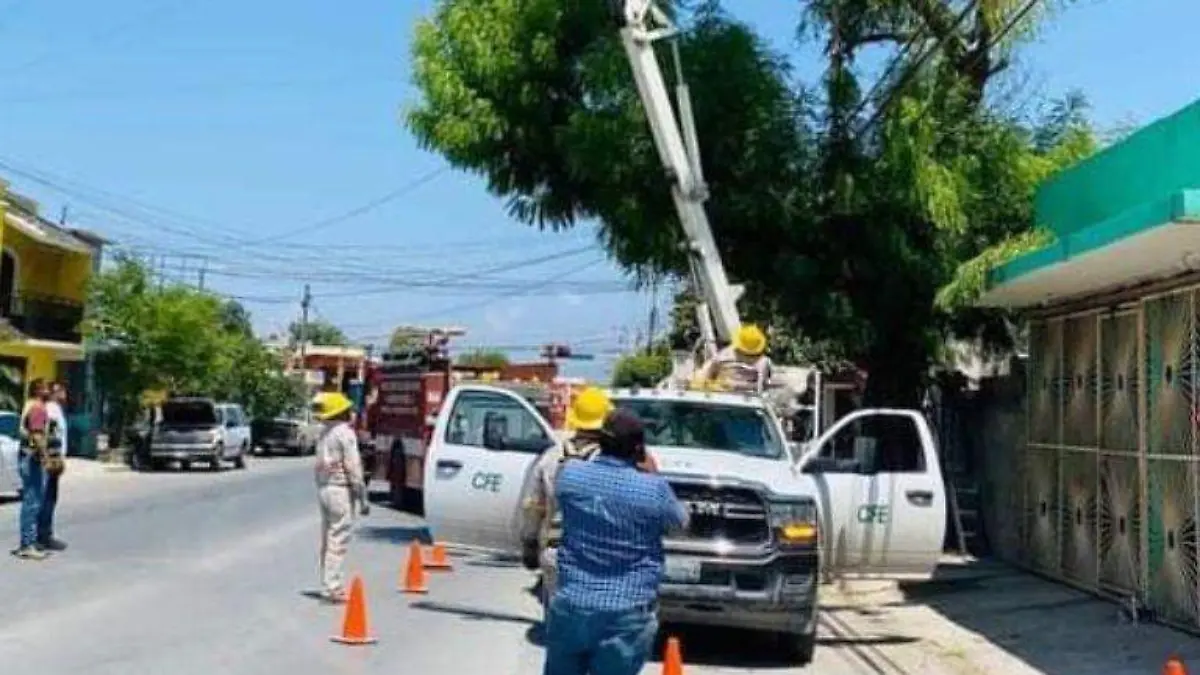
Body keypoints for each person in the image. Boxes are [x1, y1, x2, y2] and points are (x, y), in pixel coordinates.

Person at [542, 409, 688, 675]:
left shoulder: (571, 475)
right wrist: (653, 474)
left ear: (601, 441)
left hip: (573, 603)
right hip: (627, 612)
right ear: (638, 449)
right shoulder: (652, 489)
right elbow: (681, 523)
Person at [520, 386, 613, 606]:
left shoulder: (550, 457)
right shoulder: (613, 462)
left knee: (558, 619)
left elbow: (533, 507)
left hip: (555, 553)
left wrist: (529, 545)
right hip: (596, 557)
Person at [312, 391, 369, 604]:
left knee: (328, 538)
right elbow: (353, 466)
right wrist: (362, 496)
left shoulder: (323, 433)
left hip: (324, 487)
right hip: (340, 490)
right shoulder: (344, 433)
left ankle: (327, 581)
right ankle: (332, 586)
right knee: (338, 538)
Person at [12, 380, 54, 560]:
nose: (49, 392)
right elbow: (37, 435)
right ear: (39, 391)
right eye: (46, 389)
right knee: (33, 502)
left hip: (26, 456)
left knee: (32, 500)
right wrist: (46, 457)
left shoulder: (30, 405)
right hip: (33, 459)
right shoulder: (37, 408)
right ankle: (27, 544)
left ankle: (29, 541)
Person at [693, 323, 772, 393]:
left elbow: (710, 370)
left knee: (703, 372)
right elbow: (761, 386)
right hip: (747, 392)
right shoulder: (762, 361)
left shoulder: (726, 355)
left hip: (723, 389)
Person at [38, 381, 69, 552]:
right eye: (59, 391)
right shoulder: (51, 409)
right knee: (47, 498)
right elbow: (52, 434)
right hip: (50, 459)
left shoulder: (55, 408)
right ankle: (43, 535)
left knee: (50, 497)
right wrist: (53, 458)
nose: (63, 393)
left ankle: (44, 534)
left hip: (54, 458)